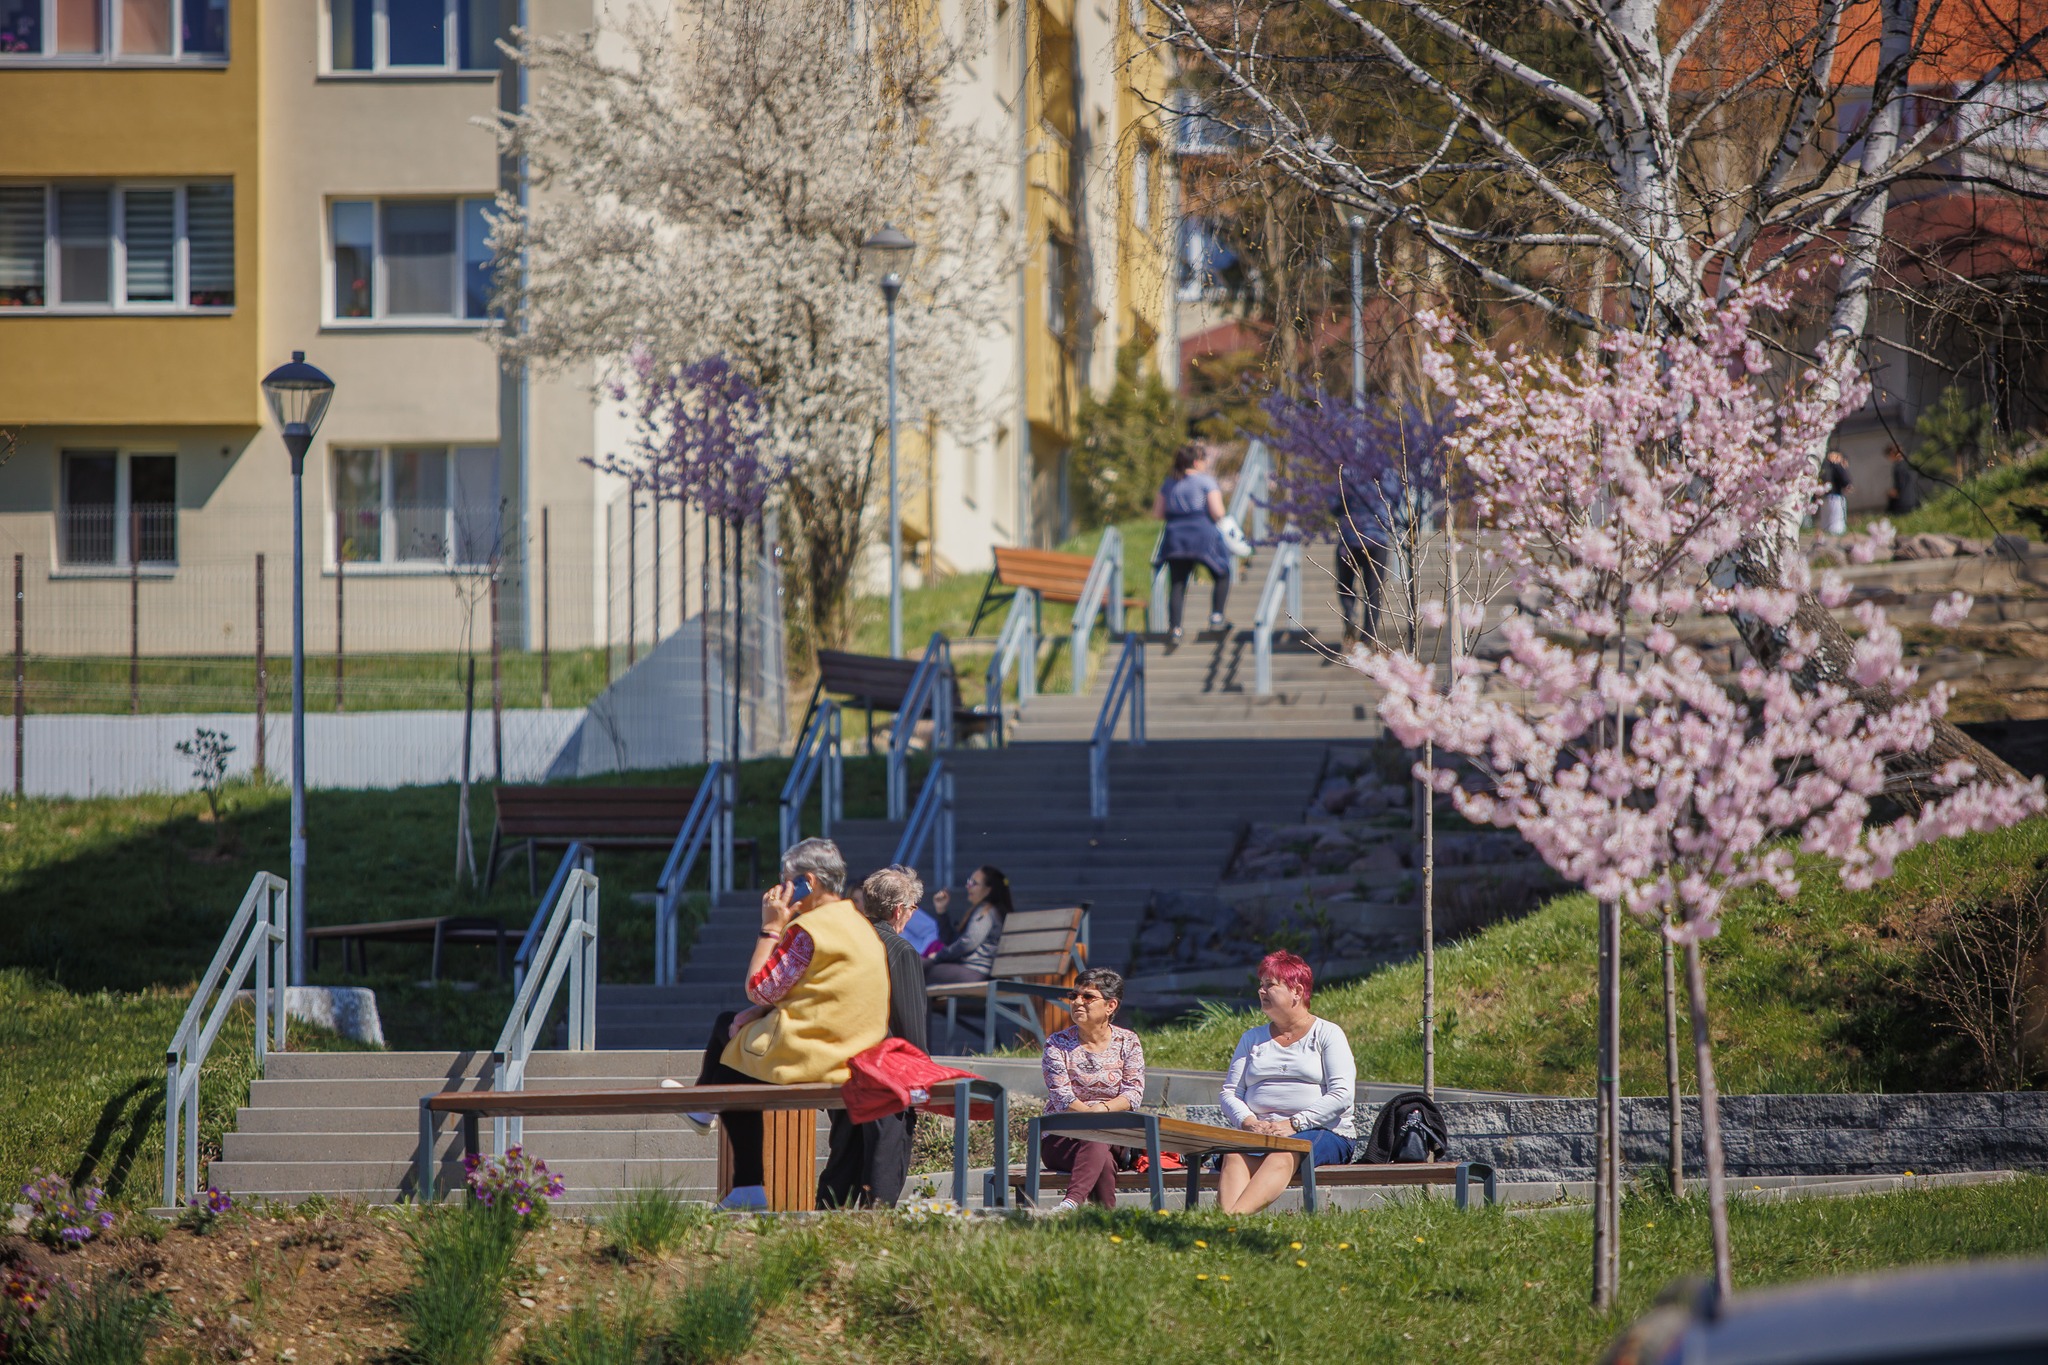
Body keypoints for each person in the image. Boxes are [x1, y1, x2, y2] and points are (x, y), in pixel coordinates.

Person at [683, 837, 889, 1210]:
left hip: (815, 1054)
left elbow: (759, 988)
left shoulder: (807, 930)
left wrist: (771, 926)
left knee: (730, 1059)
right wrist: (760, 1013)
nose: (778, 888)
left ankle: (740, 1171)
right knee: (732, 1029)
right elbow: (817, 990)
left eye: (786, 879)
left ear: (809, 881)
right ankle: (707, 1109)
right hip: (857, 1048)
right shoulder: (859, 924)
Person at [817, 864, 930, 1209]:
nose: (911, 915)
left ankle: (821, 1232)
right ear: (899, 910)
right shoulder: (900, 950)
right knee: (884, 1161)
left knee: (843, 1164)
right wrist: (922, 1081)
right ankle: (876, 1230)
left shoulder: (845, 947)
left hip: (843, 1069)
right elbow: (909, 1023)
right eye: (912, 908)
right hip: (886, 1075)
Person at [1216, 951, 1357, 1215]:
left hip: (1323, 1132)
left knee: (1286, 1150)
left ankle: (1230, 1224)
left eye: (1270, 985)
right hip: (1261, 1133)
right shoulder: (1252, 1038)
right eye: (1261, 985)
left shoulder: (1327, 1033)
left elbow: (1342, 1094)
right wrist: (1249, 1122)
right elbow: (1230, 1093)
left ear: (1297, 991)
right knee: (1233, 1154)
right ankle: (1227, 1225)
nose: (1262, 991)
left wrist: (1293, 1124)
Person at [1039, 968, 1145, 1211]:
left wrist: (1103, 1110)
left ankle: (1071, 1204)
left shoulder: (1128, 1042)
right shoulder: (1057, 1043)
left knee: (1100, 1138)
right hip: (1062, 1137)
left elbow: (1133, 1093)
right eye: (1073, 996)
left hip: (1114, 1132)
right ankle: (1104, 1221)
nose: (1077, 1002)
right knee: (1102, 1153)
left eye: (1087, 997)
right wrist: (1092, 1117)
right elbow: (1062, 1096)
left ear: (1110, 1006)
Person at [1152, 443, 1231, 643]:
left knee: (1177, 583)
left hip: (1175, 536)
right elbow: (1218, 512)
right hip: (1202, 534)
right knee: (1221, 572)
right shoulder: (1206, 481)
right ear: (1196, 461)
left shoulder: (1169, 482)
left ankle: (1175, 628)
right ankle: (1216, 617)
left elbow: (1158, 513)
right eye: (1204, 460)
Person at [1332, 461, 1392, 647]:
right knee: (1374, 593)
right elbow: (1397, 500)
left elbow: (1334, 505)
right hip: (1377, 539)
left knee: (1345, 584)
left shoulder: (1347, 472)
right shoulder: (1388, 473)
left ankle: (1350, 611)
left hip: (1350, 538)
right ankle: (1368, 639)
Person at [924, 864, 1012, 987]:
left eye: (973, 883)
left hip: (974, 971)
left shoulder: (986, 912)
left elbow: (967, 943)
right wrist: (941, 911)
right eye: (968, 882)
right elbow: (951, 941)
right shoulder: (984, 911)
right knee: (917, 967)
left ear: (988, 889)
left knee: (918, 972)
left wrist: (938, 956)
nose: (967, 886)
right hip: (969, 970)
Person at [1822, 449, 1852, 536]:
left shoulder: (1824, 466)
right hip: (1835, 496)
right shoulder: (1837, 466)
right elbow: (1845, 479)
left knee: (1826, 521)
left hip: (1825, 496)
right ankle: (1835, 534)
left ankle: (1827, 534)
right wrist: (1847, 484)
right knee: (1836, 521)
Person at [1887, 444, 1922, 516]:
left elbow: (1899, 487)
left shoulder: (1898, 468)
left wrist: (1890, 493)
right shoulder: (1910, 464)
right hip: (1915, 501)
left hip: (1903, 504)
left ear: (1892, 454)